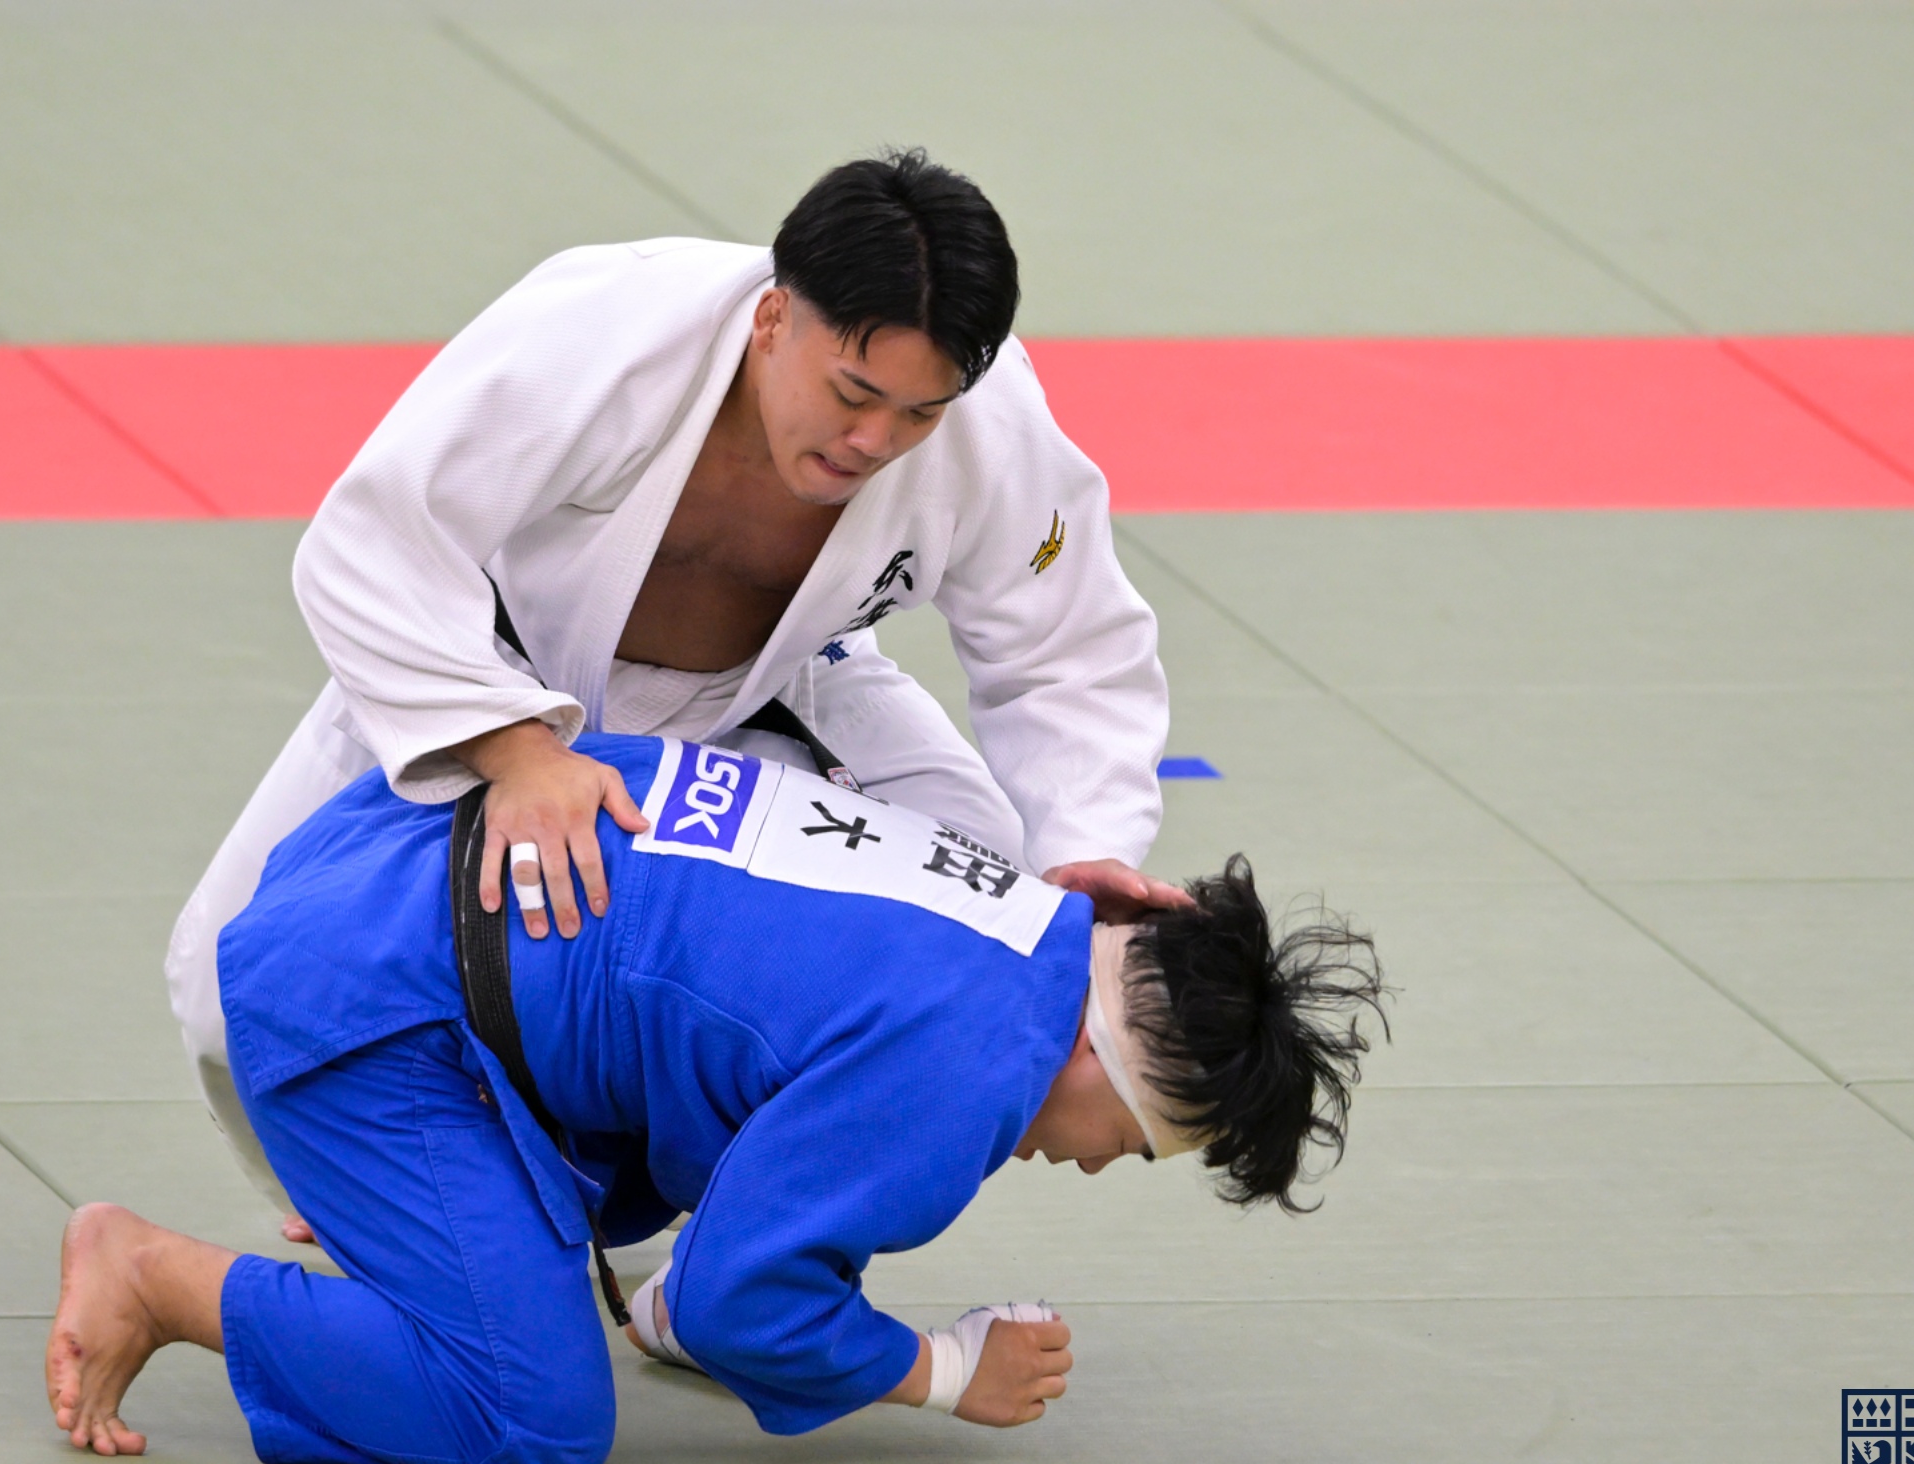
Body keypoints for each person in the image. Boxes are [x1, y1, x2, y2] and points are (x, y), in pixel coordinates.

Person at [164, 151, 1187, 1229]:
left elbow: (1068, 652)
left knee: (973, 919)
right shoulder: (602, 329)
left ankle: (712, 1254)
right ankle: (375, 1209)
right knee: (231, 990)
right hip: (486, 681)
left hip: (769, 698)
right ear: (773, 316)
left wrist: (1082, 842)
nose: (873, 442)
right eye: (853, 394)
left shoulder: (992, 424)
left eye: (917, 415)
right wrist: (515, 752)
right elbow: (374, 541)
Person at [54, 735, 1384, 1464]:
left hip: (368, 871)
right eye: (1131, 1146)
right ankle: (158, 1277)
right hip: (368, 1011)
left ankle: (432, 1233)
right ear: (1099, 1060)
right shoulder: (974, 1064)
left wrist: (694, 1306)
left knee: (694, 1095)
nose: (1093, 1167)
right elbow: (749, 1298)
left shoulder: (1014, 907)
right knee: (535, 1418)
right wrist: (943, 1372)